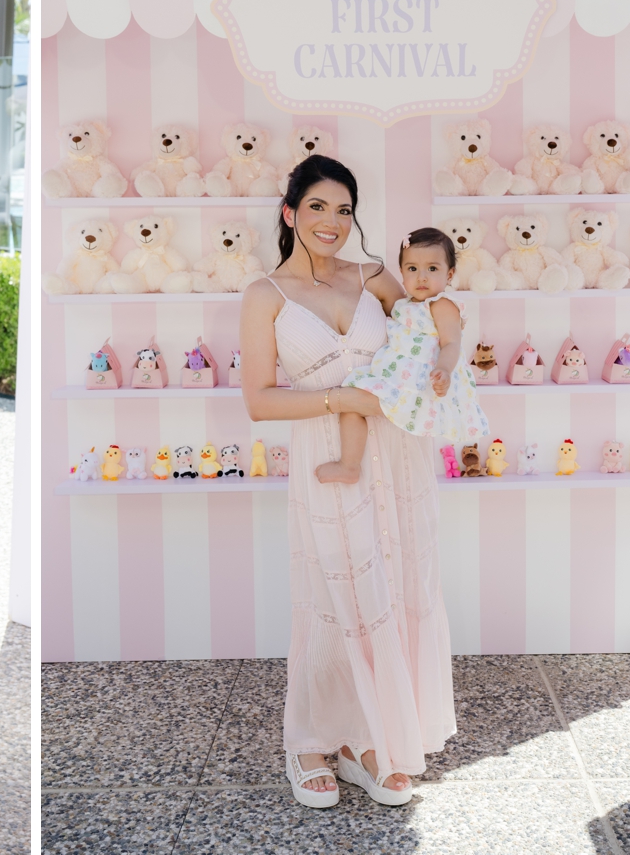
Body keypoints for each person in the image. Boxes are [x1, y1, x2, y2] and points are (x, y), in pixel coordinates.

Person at [239, 154, 455, 810]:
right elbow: (260, 401)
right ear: (290, 214)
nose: (331, 222)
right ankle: (308, 740)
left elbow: (430, 320)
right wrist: (344, 400)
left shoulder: (373, 278)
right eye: (316, 208)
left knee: (391, 583)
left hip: (395, 454)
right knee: (334, 592)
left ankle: (368, 739)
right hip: (326, 452)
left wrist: (439, 367)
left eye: (343, 209)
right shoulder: (264, 296)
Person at [314, 226, 488, 484]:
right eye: (412, 269)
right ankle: (349, 465)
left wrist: (444, 370)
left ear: (449, 274)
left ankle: (366, 469)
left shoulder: (441, 305)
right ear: (402, 273)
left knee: (362, 406)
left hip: (420, 381)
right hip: (393, 376)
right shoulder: (401, 305)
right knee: (350, 400)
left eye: (432, 268)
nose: (422, 277)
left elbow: (452, 343)